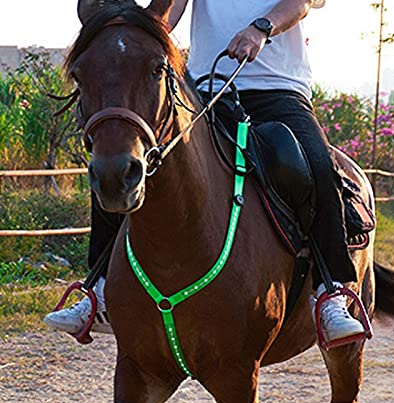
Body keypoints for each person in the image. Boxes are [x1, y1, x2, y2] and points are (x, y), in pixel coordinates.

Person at [44, 0, 364, 342]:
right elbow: (166, 16)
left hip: (279, 89)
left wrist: (261, 28)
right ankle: (100, 289)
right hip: (205, 90)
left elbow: (299, 5)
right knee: (123, 159)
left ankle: (331, 291)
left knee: (316, 164)